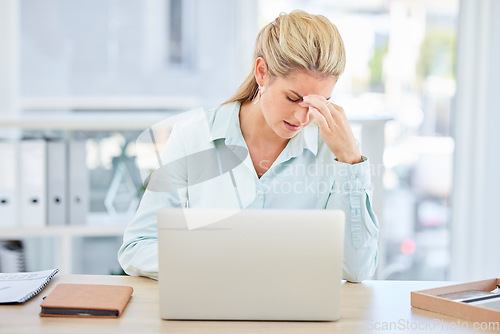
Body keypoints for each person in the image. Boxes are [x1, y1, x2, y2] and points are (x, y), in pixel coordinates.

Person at [118, 10, 379, 283]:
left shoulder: (335, 154)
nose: (303, 118)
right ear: (262, 73)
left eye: (318, 103)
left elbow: (357, 269)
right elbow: (137, 246)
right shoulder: (193, 138)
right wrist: (212, 264)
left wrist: (350, 161)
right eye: (293, 98)